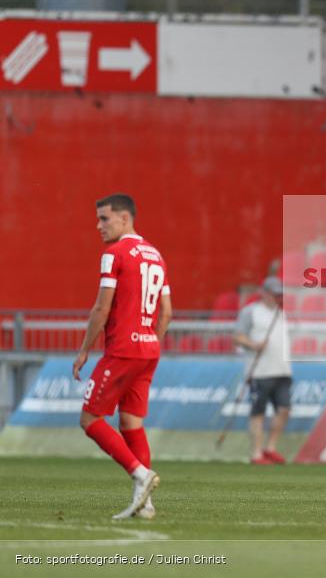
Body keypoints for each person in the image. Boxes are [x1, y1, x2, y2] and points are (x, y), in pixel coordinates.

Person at [72, 194, 172, 520]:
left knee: (89, 419)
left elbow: (102, 307)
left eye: (105, 218)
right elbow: (167, 311)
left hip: (123, 349)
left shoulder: (113, 253)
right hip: (148, 350)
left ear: (125, 219)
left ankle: (140, 473)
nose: (98, 225)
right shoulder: (156, 255)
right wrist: (150, 343)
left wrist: (85, 348)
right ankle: (146, 503)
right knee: (131, 422)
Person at [233, 276, 291, 465]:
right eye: (275, 294)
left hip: (282, 370)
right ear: (264, 293)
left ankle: (270, 447)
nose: (278, 298)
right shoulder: (251, 312)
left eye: (280, 294)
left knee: (284, 409)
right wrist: (254, 345)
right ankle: (256, 453)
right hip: (259, 372)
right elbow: (238, 337)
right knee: (258, 412)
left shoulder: (281, 313)